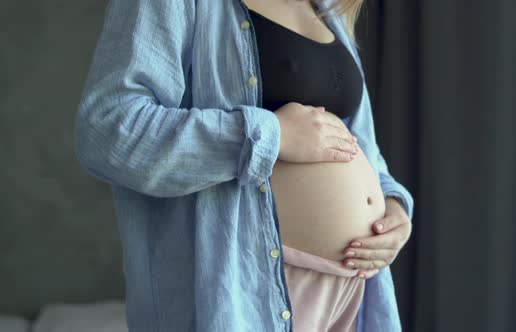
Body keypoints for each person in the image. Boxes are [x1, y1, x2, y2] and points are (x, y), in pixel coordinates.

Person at [73, 0, 414, 331]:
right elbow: (109, 130)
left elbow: (359, 143)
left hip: (354, 289)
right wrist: (269, 134)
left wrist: (393, 206)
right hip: (246, 291)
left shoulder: (327, 9)